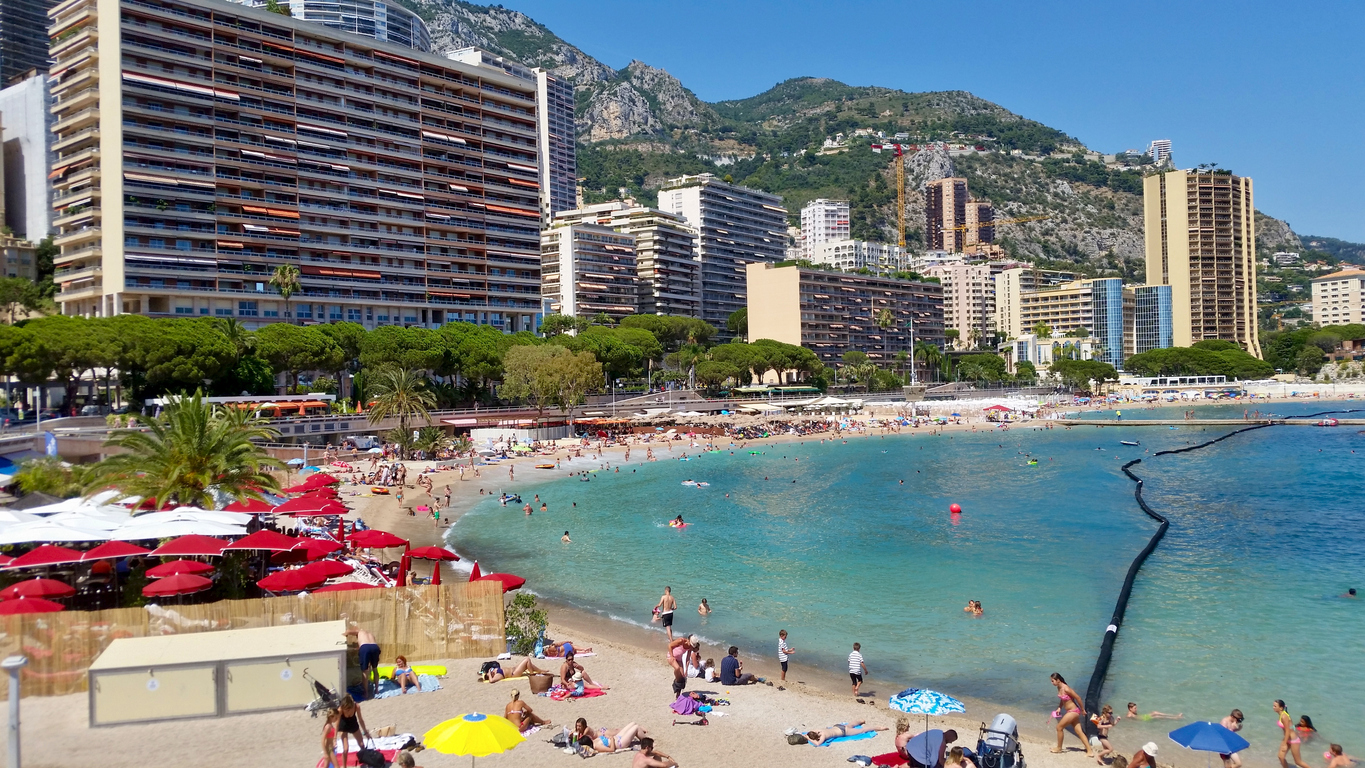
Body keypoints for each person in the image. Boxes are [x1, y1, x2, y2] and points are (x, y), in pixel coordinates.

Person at [1051, 673, 1092, 756]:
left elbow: (1078, 698)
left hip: (1073, 711)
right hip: (1071, 711)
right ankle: (1090, 751)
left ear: (1058, 680)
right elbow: (1063, 699)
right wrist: (1059, 707)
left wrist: (1083, 710)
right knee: (1079, 731)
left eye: (1053, 681)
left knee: (1059, 727)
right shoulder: (1059, 687)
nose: (1052, 683)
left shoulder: (1066, 688)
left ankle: (1059, 748)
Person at [344, 623, 381, 698]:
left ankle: (366, 693)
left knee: (365, 671)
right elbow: (367, 645)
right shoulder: (370, 634)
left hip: (365, 647)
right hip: (375, 647)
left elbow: (348, 631)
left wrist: (345, 634)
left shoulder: (359, 632)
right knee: (375, 669)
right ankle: (377, 690)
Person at [1276, 700, 1313, 768]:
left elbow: (1287, 730)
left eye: (1275, 706)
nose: (1273, 707)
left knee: (1298, 762)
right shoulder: (1282, 715)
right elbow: (1291, 726)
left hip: (1294, 740)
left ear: (1281, 708)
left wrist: (1284, 743)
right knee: (1281, 756)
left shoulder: (1284, 716)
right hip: (1287, 738)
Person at [335, 696, 369, 768]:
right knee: (346, 748)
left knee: (362, 744)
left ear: (351, 706)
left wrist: (365, 732)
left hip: (353, 723)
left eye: (348, 709)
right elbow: (337, 724)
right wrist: (334, 739)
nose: (346, 711)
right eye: (345, 710)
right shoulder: (340, 710)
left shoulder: (356, 706)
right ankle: (344, 766)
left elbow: (361, 720)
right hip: (343, 725)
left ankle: (366, 761)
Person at [805, 721, 888, 746]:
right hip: (838, 726)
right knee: (850, 725)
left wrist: (808, 738)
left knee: (862, 730)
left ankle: (880, 728)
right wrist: (806, 735)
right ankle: (861, 720)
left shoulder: (822, 736)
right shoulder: (819, 730)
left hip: (843, 732)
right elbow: (812, 730)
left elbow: (818, 744)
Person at [480, 657, 548, 683]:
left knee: (528, 664)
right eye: (490, 674)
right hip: (514, 674)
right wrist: (490, 674)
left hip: (513, 668)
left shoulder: (494, 672)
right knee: (527, 660)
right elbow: (491, 681)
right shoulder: (497, 676)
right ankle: (532, 674)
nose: (491, 672)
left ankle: (540, 670)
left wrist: (489, 672)